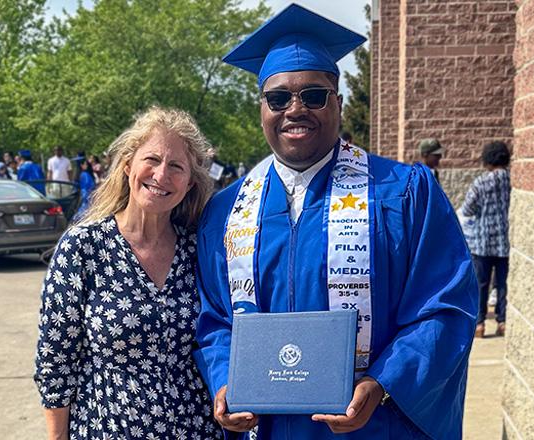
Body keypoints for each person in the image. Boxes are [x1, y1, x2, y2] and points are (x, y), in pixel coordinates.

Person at [193, 4, 478, 439]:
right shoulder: (226, 211)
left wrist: (384, 382)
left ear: (338, 102)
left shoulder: (403, 193)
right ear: (261, 109)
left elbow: (445, 307)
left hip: (370, 427)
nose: (295, 109)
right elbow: (213, 319)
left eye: (313, 95)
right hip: (265, 428)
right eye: (278, 98)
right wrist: (224, 382)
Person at [34, 106, 222, 440]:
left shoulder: (199, 249)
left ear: (190, 183)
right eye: (151, 159)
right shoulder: (83, 247)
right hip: (107, 427)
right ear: (127, 165)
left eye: (176, 166)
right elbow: (55, 360)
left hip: (195, 429)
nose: (161, 175)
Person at [460, 141, 511, 338]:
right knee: (503, 283)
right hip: (506, 243)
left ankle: (480, 324)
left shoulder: (481, 182)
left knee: (481, 285)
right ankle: (502, 321)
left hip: (482, 243)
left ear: (487, 159)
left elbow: (467, 209)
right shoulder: (512, 180)